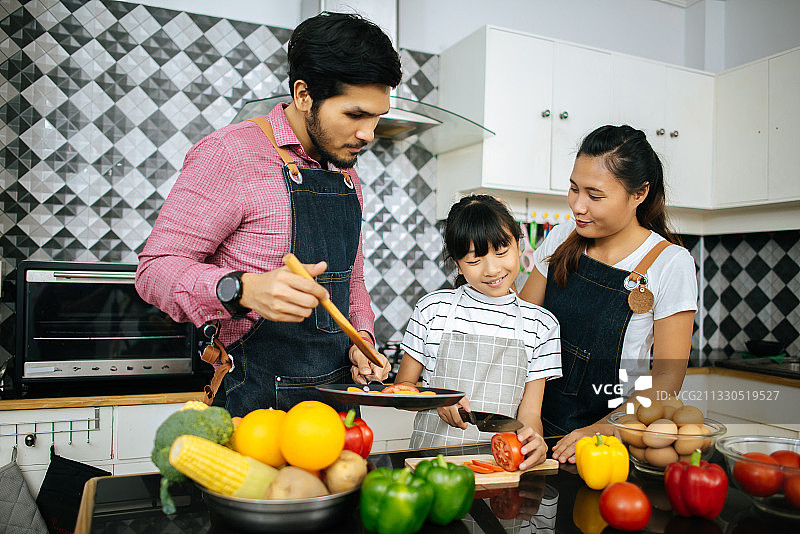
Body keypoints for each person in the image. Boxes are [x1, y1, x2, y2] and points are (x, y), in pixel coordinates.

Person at [135, 12, 400, 417]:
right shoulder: (230, 154)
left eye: (377, 117)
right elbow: (154, 271)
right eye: (355, 115)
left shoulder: (346, 174)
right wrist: (242, 290)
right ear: (303, 95)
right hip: (253, 409)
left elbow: (352, 278)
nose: (369, 133)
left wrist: (361, 338)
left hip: (336, 410)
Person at [519, 125, 698, 463]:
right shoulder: (560, 238)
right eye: (574, 189)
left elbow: (667, 377)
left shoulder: (670, 263)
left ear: (639, 194)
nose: (578, 206)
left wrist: (600, 430)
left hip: (611, 442)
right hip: (535, 432)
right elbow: (521, 327)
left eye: (594, 195)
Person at [395, 195, 562, 469]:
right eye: (475, 260)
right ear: (457, 263)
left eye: (502, 251)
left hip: (500, 467)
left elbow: (530, 412)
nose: (493, 269)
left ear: (519, 245)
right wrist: (438, 400)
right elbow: (403, 391)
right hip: (429, 467)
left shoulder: (541, 324)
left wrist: (535, 442)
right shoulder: (432, 309)